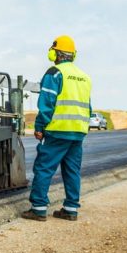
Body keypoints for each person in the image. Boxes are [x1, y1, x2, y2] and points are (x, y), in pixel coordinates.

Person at [22, 35, 93, 222]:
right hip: (78, 132)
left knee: (44, 168)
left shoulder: (55, 73)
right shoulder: (85, 78)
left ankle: (38, 209)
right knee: (72, 171)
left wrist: (40, 126)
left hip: (57, 130)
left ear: (55, 53)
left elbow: (47, 104)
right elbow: (88, 107)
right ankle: (70, 209)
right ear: (73, 55)